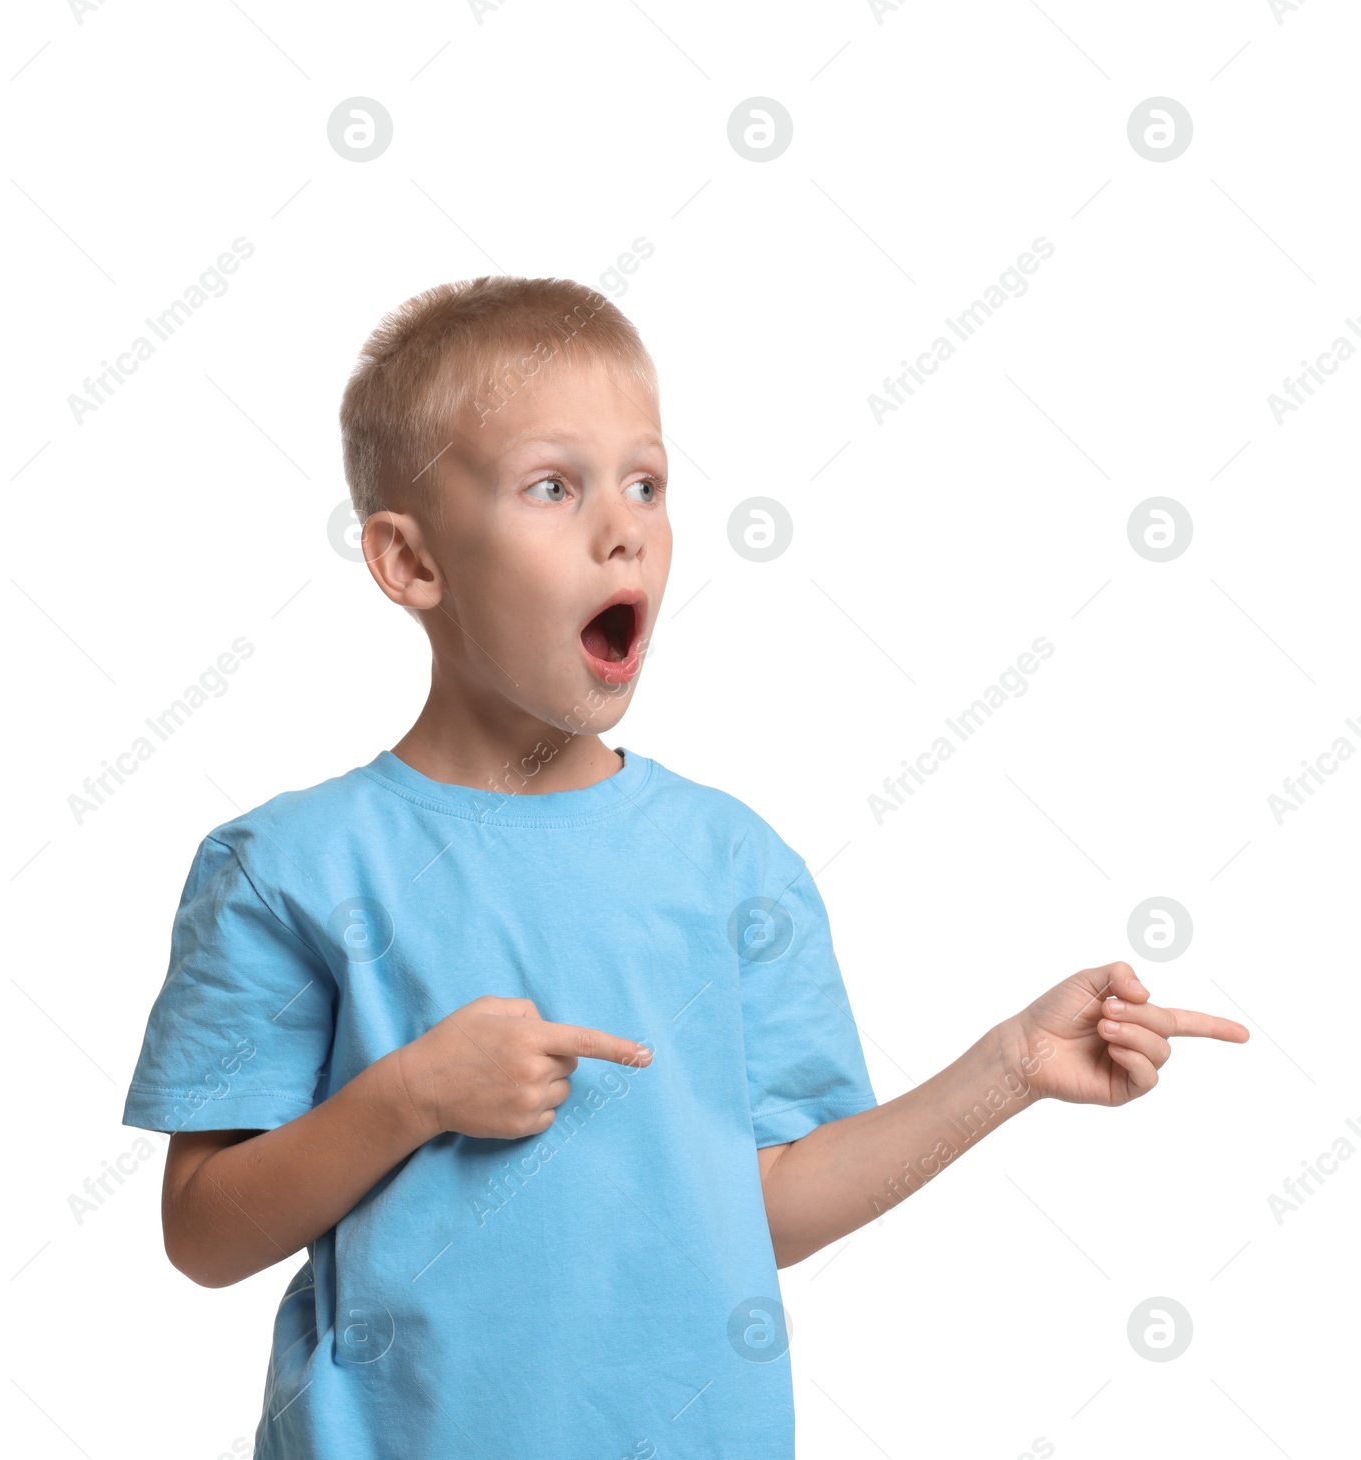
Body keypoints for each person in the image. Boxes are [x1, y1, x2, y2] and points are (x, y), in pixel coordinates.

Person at [120, 276, 1250, 1459]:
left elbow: (765, 1204)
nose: (626, 528)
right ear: (409, 562)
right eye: (553, 485)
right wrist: (411, 1095)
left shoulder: (733, 865)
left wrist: (1007, 1067)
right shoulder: (282, 865)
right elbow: (202, 1234)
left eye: (647, 482)